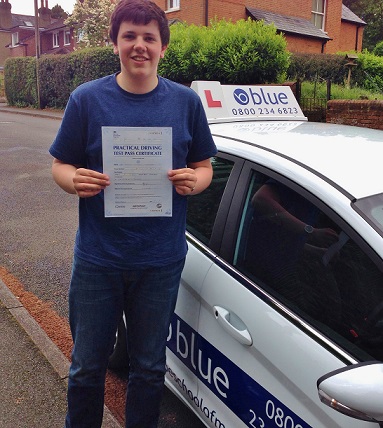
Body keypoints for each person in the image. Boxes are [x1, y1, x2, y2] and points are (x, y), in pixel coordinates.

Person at [48, 1, 217, 427]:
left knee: (149, 367)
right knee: (87, 366)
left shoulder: (185, 103)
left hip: (159, 261)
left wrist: (193, 182)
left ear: (163, 46)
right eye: (129, 36)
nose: (139, 46)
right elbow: (60, 164)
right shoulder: (87, 100)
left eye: (149, 37)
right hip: (98, 260)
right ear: (115, 42)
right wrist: (73, 180)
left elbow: (204, 167)